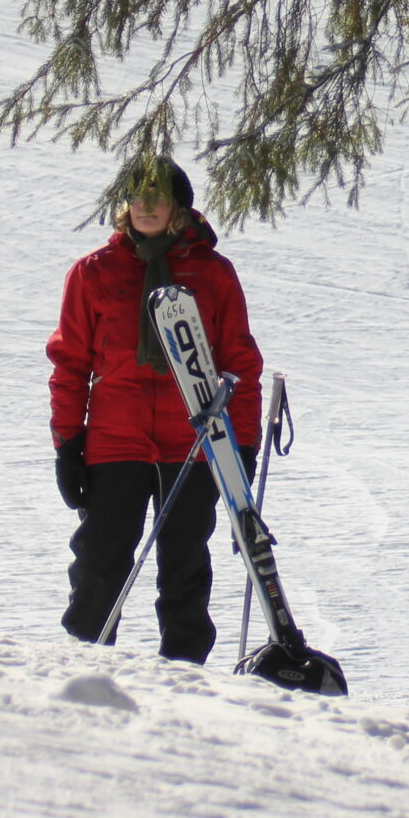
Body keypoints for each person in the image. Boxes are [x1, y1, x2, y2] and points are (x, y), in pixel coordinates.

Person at [49, 154, 263, 663]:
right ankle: (86, 660)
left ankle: (185, 671)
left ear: (180, 208)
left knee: (184, 563)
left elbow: (239, 361)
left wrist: (244, 445)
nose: (146, 206)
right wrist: (67, 443)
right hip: (114, 440)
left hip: (191, 442)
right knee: (100, 560)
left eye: (159, 197)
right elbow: (70, 362)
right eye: (138, 196)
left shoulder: (212, 273)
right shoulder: (94, 271)